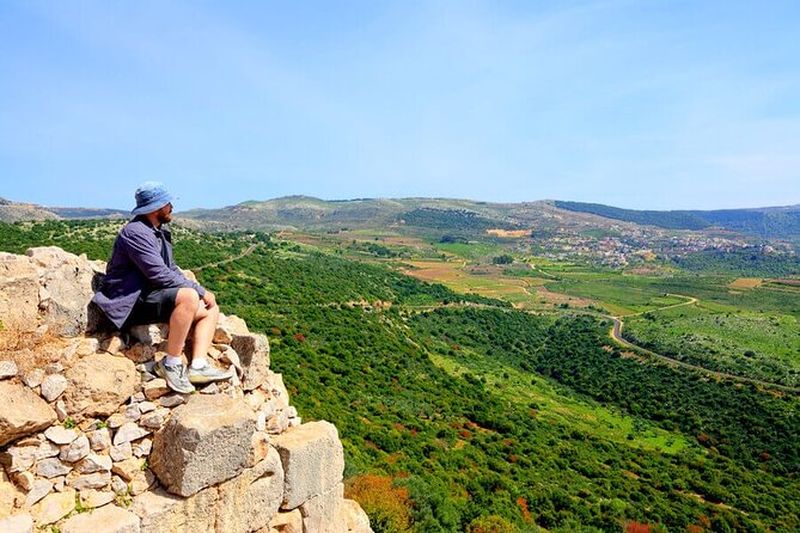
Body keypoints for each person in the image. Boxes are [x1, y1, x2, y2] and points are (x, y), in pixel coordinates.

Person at [92, 182, 230, 393]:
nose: (172, 207)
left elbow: (171, 268)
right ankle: (171, 364)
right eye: (168, 203)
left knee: (211, 308)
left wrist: (202, 292)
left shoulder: (158, 232)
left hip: (148, 295)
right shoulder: (136, 232)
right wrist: (198, 291)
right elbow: (159, 274)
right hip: (129, 301)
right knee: (190, 297)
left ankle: (198, 366)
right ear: (156, 207)